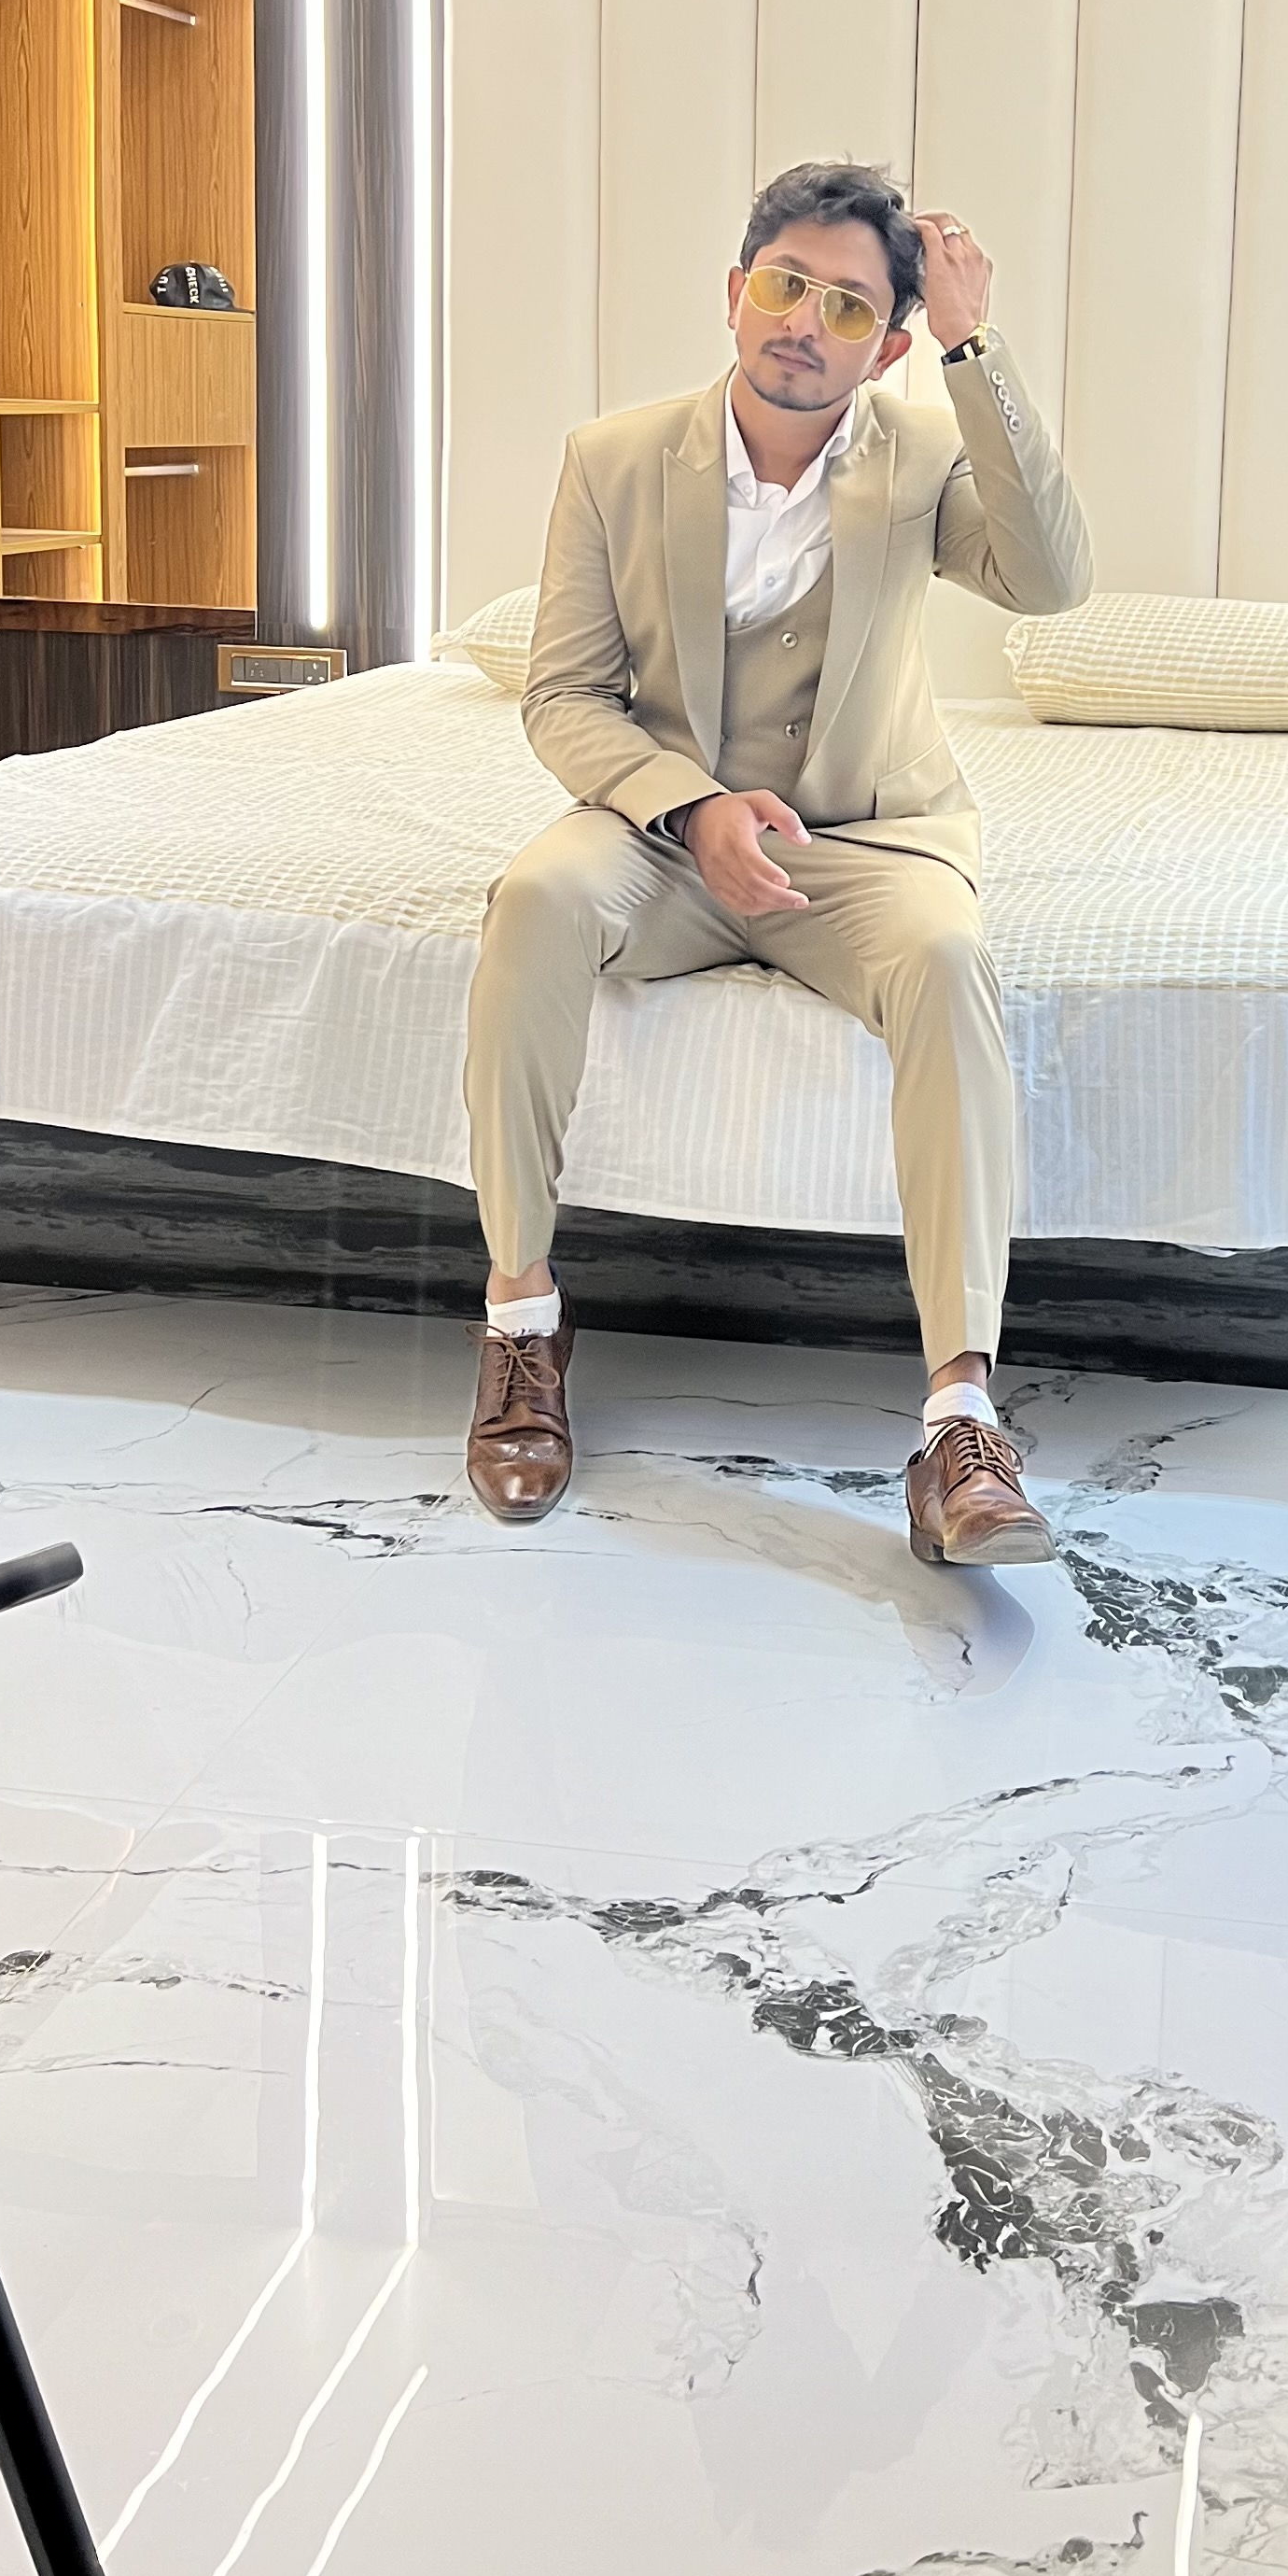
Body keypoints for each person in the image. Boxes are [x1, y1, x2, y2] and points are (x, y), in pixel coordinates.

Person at [461, 159, 1094, 1562]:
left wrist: (974, 347)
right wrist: (693, 810)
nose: (807, 322)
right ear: (736, 292)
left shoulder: (921, 458)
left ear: (887, 346)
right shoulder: (614, 459)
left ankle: (960, 1427)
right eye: (786, 285)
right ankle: (521, 1328)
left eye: (852, 306)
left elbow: (1052, 580)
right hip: (669, 836)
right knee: (536, 898)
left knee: (946, 959)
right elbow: (563, 696)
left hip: (862, 839)